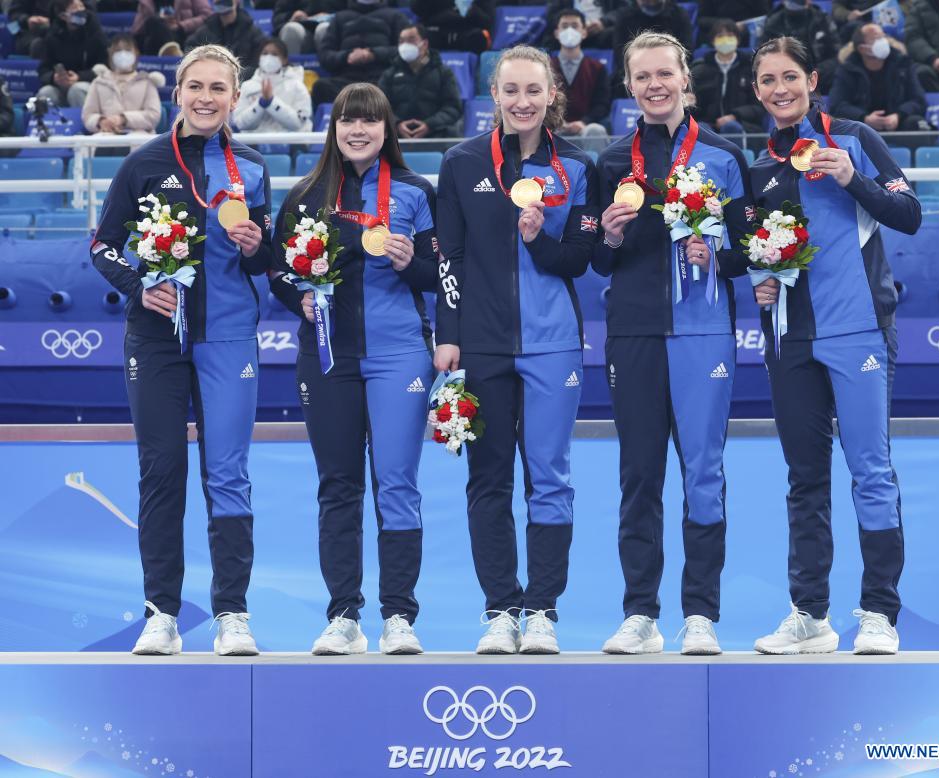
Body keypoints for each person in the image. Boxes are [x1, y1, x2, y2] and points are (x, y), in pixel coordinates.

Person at [90, 44, 273, 657]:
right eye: (195, 86)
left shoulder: (251, 167)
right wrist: (141, 285)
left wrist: (256, 246)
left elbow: (267, 259)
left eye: (217, 88)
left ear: (235, 98)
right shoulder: (142, 164)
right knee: (162, 473)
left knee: (228, 476)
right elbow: (103, 245)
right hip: (156, 341)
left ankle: (232, 614)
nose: (205, 97)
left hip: (227, 338)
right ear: (177, 92)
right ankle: (161, 613)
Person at [747, 36, 921, 655]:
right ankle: (810, 614)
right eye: (767, 81)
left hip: (859, 331)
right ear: (757, 90)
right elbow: (758, 247)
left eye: (789, 76)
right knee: (805, 478)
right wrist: (761, 279)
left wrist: (851, 178)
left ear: (812, 79)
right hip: (790, 338)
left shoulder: (851, 139)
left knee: (871, 471)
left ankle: (879, 612)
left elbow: (908, 214)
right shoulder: (761, 166)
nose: (779, 90)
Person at [434, 45, 600, 654]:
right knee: (488, 478)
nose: (522, 102)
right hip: (479, 346)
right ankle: (500, 609)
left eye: (534, 91)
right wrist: (448, 334)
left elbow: (579, 262)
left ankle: (543, 612)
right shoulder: (461, 162)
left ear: (552, 94)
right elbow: (447, 257)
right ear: (494, 96)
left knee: (551, 478)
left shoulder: (579, 167)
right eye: (511, 91)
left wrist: (537, 240)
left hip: (554, 344)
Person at [595, 31, 754, 657]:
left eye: (665, 74)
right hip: (632, 330)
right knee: (638, 474)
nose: (654, 86)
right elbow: (599, 265)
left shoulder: (721, 155)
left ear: (684, 80)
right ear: (629, 86)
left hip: (704, 330)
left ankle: (701, 615)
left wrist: (716, 247)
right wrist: (606, 236)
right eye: (642, 77)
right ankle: (640, 613)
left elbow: (746, 254)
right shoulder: (610, 162)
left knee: (704, 472)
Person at [269, 83, 438, 656]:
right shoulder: (306, 195)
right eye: (347, 121)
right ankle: (344, 615)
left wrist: (412, 260)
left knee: (396, 483)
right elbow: (279, 273)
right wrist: (300, 301)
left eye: (369, 121)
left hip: (400, 355)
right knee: (337, 487)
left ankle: (398, 617)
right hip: (328, 357)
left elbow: (441, 275)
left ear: (387, 129)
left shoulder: (416, 192)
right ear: (333, 128)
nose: (357, 131)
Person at [829, 23, 929, 134]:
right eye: (877, 38)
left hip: (898, 122)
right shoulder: (847, 69)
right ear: (862, 49)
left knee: (917, 124)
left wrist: (899, 115)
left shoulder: (903, 64)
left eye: (884, 36)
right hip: (862, 126)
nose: (884, 41)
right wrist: (864, 118)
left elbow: (919, 100)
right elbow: (836, 105)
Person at [311, 0, 407, 106]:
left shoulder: (396, 16)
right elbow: (325, 55)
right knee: (321, 86)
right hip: (346, 80)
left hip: (381, 79)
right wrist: (347, 56)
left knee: (399, 87)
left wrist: (375, 54)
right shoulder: (339, 18)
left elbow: (403, 51)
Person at [377, 23, 463, 139]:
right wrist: (397, 124)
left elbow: (453, 108)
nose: (405, 45)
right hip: (396, 138)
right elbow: (379, 107)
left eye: (411, 40)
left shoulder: (443, 73)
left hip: (436, 135)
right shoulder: (389, 74)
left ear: (425, 44)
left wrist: (429, 125)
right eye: (401, 41)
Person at [690, 20, 766, 136]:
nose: (725, 40)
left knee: (730, 126)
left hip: (741, 124)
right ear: (713, 41)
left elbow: (760, 106)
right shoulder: (699, 70)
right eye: (720, 36)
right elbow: (696, 109)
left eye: (730, 36)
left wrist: (735, 116)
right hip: (708, 124)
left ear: (738, 40)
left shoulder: (751, 69)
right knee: (700, 129)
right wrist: (690, 103)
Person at [82, 35, 163, 136]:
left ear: (136, 53)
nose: (123, 54)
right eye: (118, 50)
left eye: (128, 50)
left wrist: (124, 119)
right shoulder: (99, 82)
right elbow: (88, 116)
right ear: (111, 53)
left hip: (139, 137)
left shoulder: (147, 82)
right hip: (106, 136)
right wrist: (101, 121)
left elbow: (153, 116)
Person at [234, 37, 313, 137]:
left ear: (284, 60)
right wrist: (261, 104)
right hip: (254, 146)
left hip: (289, 146)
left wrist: (271, 102)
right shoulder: (247, 86)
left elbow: (298, 123)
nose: (269, 57)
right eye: (265, 53)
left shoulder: (297, 86)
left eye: (275, 54)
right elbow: (240, 123)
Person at [36, 0, 108, 108]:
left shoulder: (95, 33)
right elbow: (43, 70)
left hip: (90, 84)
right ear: (63, 16)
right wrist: (54, 78)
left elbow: (105, 66)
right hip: (62, 87)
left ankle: (86, 123)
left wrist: (80, 77)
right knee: (46, 92)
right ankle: (52, 124)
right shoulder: (52, 37)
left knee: (77, 89)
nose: (81, 10)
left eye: (81, 6)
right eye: (75, 8)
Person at [550, 9, 611, 137]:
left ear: (584, 32)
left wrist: (584, 122)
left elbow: (602, 104)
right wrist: (559, 122)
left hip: (586, 127)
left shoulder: (598, 68)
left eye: (575, 26)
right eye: (565, 26)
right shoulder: (545, 68)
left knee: (596, 130)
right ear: (556, 33)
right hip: (554, 126)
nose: (569, 30)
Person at [612, 0, 693, 95]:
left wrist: (667, 72)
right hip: (636, 71)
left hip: (669, 70)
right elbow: (621, 53)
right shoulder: (624, 16)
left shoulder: (679, 14)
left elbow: (686, 51)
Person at [762, 0, 840, 92]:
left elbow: (837, 53)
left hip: (821, 74)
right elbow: (764, 57)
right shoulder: (773, 24)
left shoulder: (822, 19)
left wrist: (817, 71)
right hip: (787, 77)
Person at [185, 0, 267, 78]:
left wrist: (239, 75)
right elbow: (190, 47)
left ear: (236, 3)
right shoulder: (207, 28)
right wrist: (204, 69)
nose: (225, 16)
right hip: (212, 77)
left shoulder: (250, 30)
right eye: (222, 13)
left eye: (228, 12)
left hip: (242, 79)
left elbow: (258, 59)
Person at [411, 0, 496, 55]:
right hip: (437, 31)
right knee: (417, 39)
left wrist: (472, 9)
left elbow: (487, 21)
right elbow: (416, 9)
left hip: (466, 32)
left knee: (479, 39)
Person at [131, 0, 213, 57]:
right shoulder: (146, 2)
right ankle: (173, 53)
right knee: (152, 21)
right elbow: (136, 29)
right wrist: (159, 22)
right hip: (155, 38)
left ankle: (170, 52)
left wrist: (180, 25)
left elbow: (207, 15)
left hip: (182, 35)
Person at [272, 0, 344, 55]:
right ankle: (291, 71)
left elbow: (351, 12)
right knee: (291, 28)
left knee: (325, 28)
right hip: (300, 27)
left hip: (332, 25)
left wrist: (333, 17)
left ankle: (330, 71)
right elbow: (277, 17)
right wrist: (291, 16)